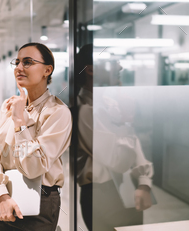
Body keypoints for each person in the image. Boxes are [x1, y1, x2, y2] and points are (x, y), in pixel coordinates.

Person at [0, 42, 73, 231]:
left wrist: (20, 123)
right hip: (1, 202)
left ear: (47, 70)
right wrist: (0, 195)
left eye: (28, 62)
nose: (19, 68)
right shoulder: (9, 105)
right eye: (18, 62)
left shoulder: (57, 112)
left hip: (40, 204)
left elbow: (33, 168)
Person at [76, 44, 154, 231]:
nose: (119, 67)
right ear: (91, 70)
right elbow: (118, 161)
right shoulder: (85, 111)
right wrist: (126, 123)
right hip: (102, 194)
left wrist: (144, 183)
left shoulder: (109, 103)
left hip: (126, 188)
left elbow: (134, 146)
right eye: (112, 62)